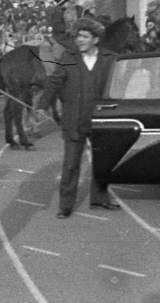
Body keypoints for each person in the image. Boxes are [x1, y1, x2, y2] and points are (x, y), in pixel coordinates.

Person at [39, 16, 120, 217]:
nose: (80, 40)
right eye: (78, 36)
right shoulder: (68, 57)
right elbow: (54, 81)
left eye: (84, 36)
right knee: (71, 165)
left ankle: (100, 198)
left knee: (103, 162)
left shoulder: (110, 59)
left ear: (96, 39)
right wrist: (42, 105)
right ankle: (65, 206)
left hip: (101, 119)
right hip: (74, 119)